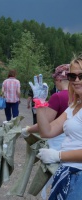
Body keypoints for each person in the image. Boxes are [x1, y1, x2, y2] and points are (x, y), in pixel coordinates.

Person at [25, 54, 82, 200]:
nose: (76, 80)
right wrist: (40, 104)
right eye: (72, 76)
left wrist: (58, 155)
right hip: (67, 172)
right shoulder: (74, 106)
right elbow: (47, 131)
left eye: (81, 76)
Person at [21, 64, 70, 199]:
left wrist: (27, 130)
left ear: (59, 80)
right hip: (74, 146)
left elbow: (44, 125)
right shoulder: (76, 97)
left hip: (58, 144)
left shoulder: (58, 97)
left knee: (59, 182)